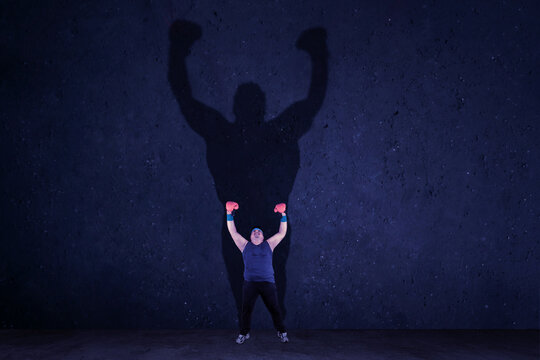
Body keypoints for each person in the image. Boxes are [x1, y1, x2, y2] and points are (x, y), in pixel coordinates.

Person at [225, 200, 289, 344]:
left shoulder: (269, 244)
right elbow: (233, 232)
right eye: (254, 231)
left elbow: (282, 233)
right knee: (245, 310)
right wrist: (229, 213)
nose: (256, 232)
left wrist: (283, 215)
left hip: (268, 283)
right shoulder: (244, 245)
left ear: (263, 236)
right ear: (250, 236)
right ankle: (244, 333)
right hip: (250, 283)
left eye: (259, 231)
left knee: (275, 309)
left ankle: (282, 332)